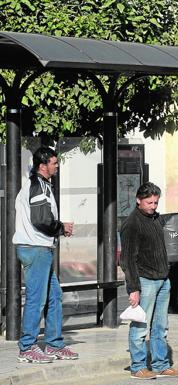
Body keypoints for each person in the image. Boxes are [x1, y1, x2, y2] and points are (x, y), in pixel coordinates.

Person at [12, 147, 78, 364]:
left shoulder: (41, 185)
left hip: (40, 248)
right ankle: (27, 347)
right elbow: (41, 219)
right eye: (54, 163)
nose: (57, 166)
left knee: (54, 296)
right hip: (36, 248)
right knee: (36, 299)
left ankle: (54, 344)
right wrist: (61, 228)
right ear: (43, 166)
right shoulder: (37, 186)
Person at [120, 182, 178, 380]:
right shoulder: (131, 224)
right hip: (145, 281)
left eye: (156, 202)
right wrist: (133, 288)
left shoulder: (156, 218)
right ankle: (137, 367)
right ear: (138, 200)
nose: (153, 206)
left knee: (160, 326)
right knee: (140, 326)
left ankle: (160, 364)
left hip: (163, 279)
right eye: (149, 202)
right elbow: (127, 259)